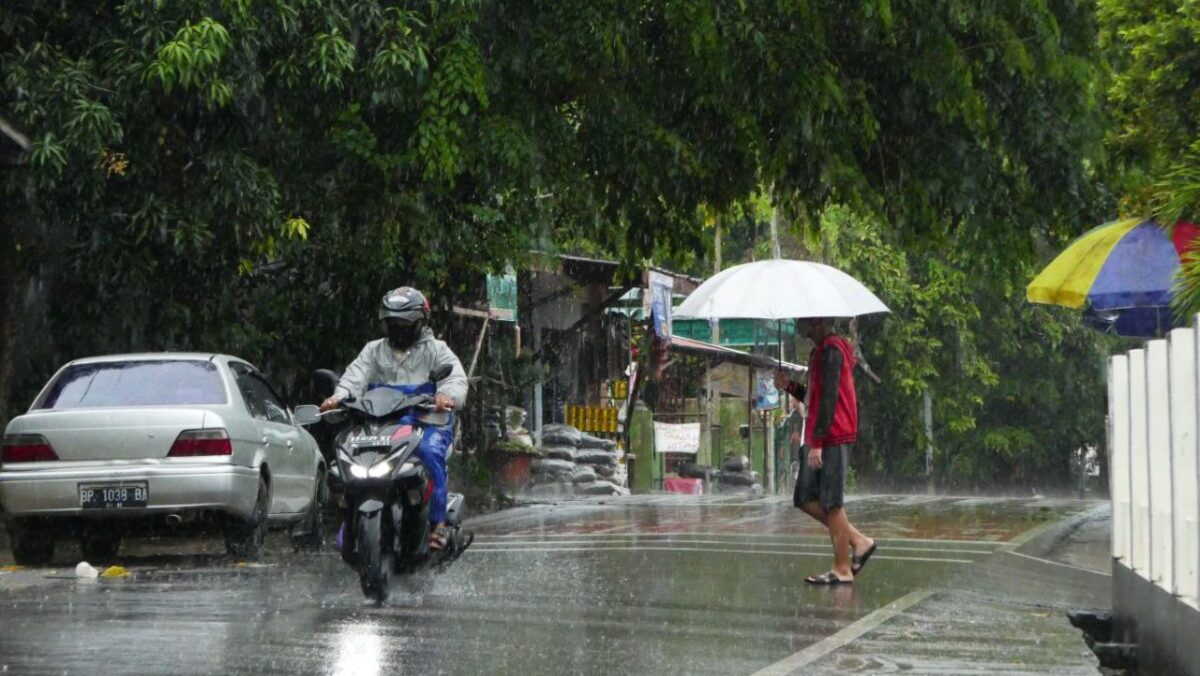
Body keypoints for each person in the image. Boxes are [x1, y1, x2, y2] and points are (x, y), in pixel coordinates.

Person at [320, 287, 468, 550]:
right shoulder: (373, 351)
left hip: (427, 422)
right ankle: (348, 519)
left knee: (430, 453)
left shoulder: (437, 350)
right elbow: (354, 378)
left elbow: (455, 379)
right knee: (346, 457)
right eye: (394, 323)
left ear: (420, 323)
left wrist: (445, 395)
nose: (399, 329)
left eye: (405, 324)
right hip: (381, 424)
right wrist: (338, 397)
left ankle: (437, 525)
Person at [774, 317, 876, 584]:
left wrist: (818, 442)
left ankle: (842, 569)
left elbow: (829, 399)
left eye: (805, 321)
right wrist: (788, 385)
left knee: (831, 502)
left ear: (818, 322)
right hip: (819, 434)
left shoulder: (832, 350)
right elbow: (814, 397)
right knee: (803, 497)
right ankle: (859, 540)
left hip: (833, 434)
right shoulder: (819, 352)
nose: (801, 325)